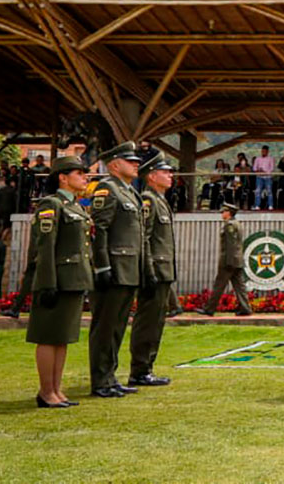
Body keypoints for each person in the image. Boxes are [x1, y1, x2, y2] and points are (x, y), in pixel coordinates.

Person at [27, 155, 93, 408]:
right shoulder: (51, 204)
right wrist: (47, 283)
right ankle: (46, 391)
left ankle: (56, 389)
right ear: (63, 178)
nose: (85, 177)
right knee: (48, 336)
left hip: (73, 279)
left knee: (62, 337)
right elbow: (45, 248)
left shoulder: (76, 206)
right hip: (56, 279)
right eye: (79, 173)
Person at [88, 141, 147, 399]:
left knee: (118, 326)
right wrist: (102, 266)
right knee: (105, 327)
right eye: (129, 160)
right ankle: (100, 380)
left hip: (128, 268)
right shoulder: (107, 189)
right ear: (114, 164)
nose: (136, 164)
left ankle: (110, 377)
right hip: (114, 267)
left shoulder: (130, 192)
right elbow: (99, 230)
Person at [129, 154, 177, 387]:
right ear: (151, 176)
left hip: (163, 270)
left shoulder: (160, 200)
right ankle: (139, 369)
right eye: (165, 172)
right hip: (155, 270)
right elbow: (144, 238)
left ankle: (146, 367)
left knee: (157, 321)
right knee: (147, 321)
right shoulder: (148, 200)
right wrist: (148, 270)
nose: (170, 175)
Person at [195, 203, 253, 316]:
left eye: (223, 212)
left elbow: (230, 244)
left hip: (228, 260)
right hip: (237, 260)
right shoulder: (237, 224)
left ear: (228, 213)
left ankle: (209, 309)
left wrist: (229, 262)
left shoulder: (229, 225)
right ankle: (245, 308)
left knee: (219, 286)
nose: (222, 214)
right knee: (240, 286)